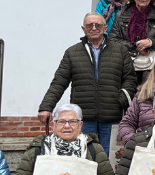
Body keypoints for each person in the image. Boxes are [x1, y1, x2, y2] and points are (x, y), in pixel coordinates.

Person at [39, 12, 138, 146]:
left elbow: (130, 79)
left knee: (110, 158)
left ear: (105, 28)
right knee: (84, 157)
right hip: (83, 118)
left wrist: (120, 98)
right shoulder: (72, 53)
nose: (94, 28)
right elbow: (59, 82)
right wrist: (46, 107)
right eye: (89, 25)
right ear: (83, 28)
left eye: (98, 25)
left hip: (112, 116)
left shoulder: (120, 51)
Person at [108, 0, 155, 83]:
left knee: (147, 97)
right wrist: (135, 46)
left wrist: (150, 43)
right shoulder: (120, 16)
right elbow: (112, 39)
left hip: (151, 69)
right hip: (126, 65)